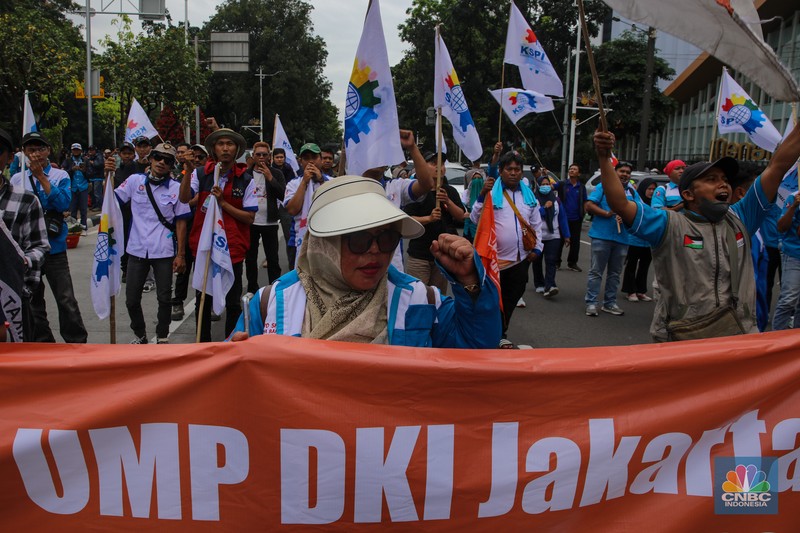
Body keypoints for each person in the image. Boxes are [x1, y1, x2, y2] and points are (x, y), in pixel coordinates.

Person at [230, 175, 501, 347]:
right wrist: (235, 363)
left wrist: (470, 282)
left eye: (387, 238)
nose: (375, 251)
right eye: (359, 239)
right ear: (325, 245)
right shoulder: (271, 304)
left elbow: (479, 349)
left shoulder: (420, 299)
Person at [593, 124, 800, 342]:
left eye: (725, 180)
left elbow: (777, 166)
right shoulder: (668, 225)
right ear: (688, 194)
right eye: (711, 179)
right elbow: (620, 203)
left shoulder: (741, 217)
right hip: (683, 339)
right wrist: (604, 157)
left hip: (738, 336)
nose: (723, 184)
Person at [179, 128, 257, 341]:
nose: (225, 148)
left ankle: (229, 345)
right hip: (205, 246)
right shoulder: (200, 173)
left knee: (232, 302)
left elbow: (249, 217)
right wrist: (186, 171)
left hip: (233, 249)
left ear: (237, 149)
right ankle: (202, 346)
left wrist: (223, 203)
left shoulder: (246, 179)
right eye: (220, 143)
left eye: (229, 144)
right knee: (202, 298)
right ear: (214, 148)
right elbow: (185, 199)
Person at [10, 131, 87, 343]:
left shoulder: (60, 175)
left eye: (40, 149)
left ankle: (76, 342)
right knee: (34, 301)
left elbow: (63, 204)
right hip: (27, 249)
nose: (36, 154)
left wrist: (41, 177)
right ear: (24, 153)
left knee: (65, 298)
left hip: (54, 248)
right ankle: (44, 342)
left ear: (48, 151)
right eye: (31, 150)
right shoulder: (18, 178)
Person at [114, 143, 190, 344]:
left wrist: (180, 254)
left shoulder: (177, 189)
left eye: (167, 160)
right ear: (150, 159)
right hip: (136, 250)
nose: (162, 162)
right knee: (131, 300)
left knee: (165, 298)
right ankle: (140, 335)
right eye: (158, 157)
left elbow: (181, 222)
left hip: (163, 251)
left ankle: (162, 335)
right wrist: (107, 176)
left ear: (172, 165)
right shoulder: (134, 181)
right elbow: (112, 201)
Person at [469, 150, 543, 346]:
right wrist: (483, 194)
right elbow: (474, 218)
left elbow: (536, 225)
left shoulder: (529, 196)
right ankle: (495, 334)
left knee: (510, 300)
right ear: (500, 171)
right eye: (509, 169)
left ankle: (501, 333)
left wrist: (538, 249)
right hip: (494, 261)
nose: (513, 173)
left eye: (517, 169)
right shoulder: (492, 194)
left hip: (521, 260)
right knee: (493, 301)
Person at [0, 128, 50, 341]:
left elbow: (40, 246)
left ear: (10, 157)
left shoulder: (26, 200)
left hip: (11, 298)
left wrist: (23, 262)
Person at [403, 153, 466, 294]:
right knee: (416, 297)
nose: (439, 168)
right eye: (433, 163)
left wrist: (447, 202)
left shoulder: (450, 191)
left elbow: (461, 216)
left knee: (437, 298)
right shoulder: (416, 191)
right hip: (419, 255)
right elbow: (407, 219)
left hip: (442, 255)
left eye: (442, 164)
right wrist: (428, 218)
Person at [583, 161, 638, 317]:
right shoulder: (603, 187)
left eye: (628, 172)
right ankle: (591, 303)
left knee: (615, 274)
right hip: (602, 235)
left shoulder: (632, 192)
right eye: (622, 171)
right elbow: (589, 205)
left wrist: (628, 217)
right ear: (615, 172)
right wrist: (607, 213)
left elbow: (639, 210)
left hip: (623, 238)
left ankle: (610, 303)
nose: (625, 174)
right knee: (596, 272)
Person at [730, 169, 769, 332]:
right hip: (742, 325)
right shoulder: (738, 229)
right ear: (741, 193)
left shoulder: (756, 227)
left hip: (755, 320)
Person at [246, 141, 286, 292]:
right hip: (250, 222)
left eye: (264, 154)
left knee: (273, 259)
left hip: (269, 222)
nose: (261, 157)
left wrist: (270, 178)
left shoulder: (276, 173)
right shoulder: (246, 174)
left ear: (269, 156)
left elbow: (283, 195)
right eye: (258, 154)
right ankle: (252, 289)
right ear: (253, 156)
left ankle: (274, 289)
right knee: (250, 259)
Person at [283, 143, 328, 271]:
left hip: (327, 240)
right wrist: (304, 182)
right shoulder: (293, 184)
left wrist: (321, 181)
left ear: (321, 159)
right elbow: (292, 210)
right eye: (306, 158)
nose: (311, 162)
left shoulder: (330, 182)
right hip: (299, 239)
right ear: (300, 161)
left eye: (314, 157)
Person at [532, 174, 569, 298]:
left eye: (547, 184)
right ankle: (539, 284)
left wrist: (567, 235)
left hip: (554, 235)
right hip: (538, 236)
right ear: (538, 186)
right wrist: (544, 208)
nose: (545, 187)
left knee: (551, 260)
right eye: (542, 184)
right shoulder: (533, 200)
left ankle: (550, 285)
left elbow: (562, 218)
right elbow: (533, 216)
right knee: (537, 261)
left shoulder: (556, 201)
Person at [621, 177, 656, 302]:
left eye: (653, 189)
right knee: (631, 265)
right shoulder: (637, 202)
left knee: (644, 266)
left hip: (649, 241)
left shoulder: (656, 203)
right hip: (634, 239)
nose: (651, 191)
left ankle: (641, 290)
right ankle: (630, 290)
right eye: (649, 189)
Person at [557, 163, 587, 272]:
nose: (572, 170)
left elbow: (584, 201)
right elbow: (550, 186)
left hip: (576, 219)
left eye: (574, 169)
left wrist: (584, 212)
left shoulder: (582, 187)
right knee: (559, 241)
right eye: (570, 169)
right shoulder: (562, 184)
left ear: (578, 173)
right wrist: (544, 175)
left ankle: (572, 263)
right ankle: (556, 262)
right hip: (563, 218)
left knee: (575, 242)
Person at [63, 143, 89, 231]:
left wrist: (84, 170)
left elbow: (91, 173)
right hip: (72, 188)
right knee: (72, 210)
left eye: (77, 150)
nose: (76, 151)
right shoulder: (68, 161)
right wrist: (72, 170)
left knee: (83, 210)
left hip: (83, 187)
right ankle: (73, 229)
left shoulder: (86, 160)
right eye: (74, 150)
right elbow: (64, 173)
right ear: (72, 151)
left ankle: (84, 227)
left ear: (81, 151)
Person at [84, 145, 104, 210]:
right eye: (89, 150)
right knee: (92, 193)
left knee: (97, 192)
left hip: (98, 177)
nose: (90, 151)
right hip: (92, 177)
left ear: (95, 150)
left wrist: (93, 163)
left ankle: (99, 206)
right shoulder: (89, 157)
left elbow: (100, 164)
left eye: (92, 150)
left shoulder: (99, 156)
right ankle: (94, 205)